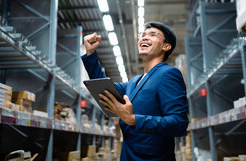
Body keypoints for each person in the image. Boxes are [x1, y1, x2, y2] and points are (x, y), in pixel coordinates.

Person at [81, 21, 189, 161]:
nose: (144, 37)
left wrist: (133, 119)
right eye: (143, 35)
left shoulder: (168, 74)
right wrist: (90, 53)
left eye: (152, 35)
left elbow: (179, 123)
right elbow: (103, 88)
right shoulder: (134, 82)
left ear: (166, 46)